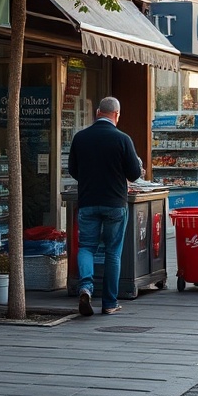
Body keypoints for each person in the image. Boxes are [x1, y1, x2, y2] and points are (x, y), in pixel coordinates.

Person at [68, 97, 142, 316]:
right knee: (112, 253)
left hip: (88, 202)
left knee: (86, 247)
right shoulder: (123, 139)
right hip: (115, 204)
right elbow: (134, 174)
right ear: (117, 115)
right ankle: (109, 303)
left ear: (98, 112)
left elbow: (73, 170)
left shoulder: (80, 138)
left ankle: (85, 288)